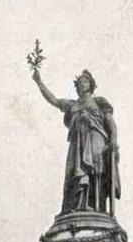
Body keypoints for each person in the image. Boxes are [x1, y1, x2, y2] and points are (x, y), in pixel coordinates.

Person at [33, 68, 120, 215]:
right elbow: (54, 100)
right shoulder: (72, 105)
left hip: (96, 140)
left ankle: (97, 208)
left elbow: (111, 123)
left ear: (91, 85)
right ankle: (78, 206)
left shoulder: (99, 102)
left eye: (85, 81)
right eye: (79, 82)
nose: (82, 84)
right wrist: (39, 82)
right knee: (76, 173)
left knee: (96, 174)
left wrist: (113, 140)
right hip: (77, 145)